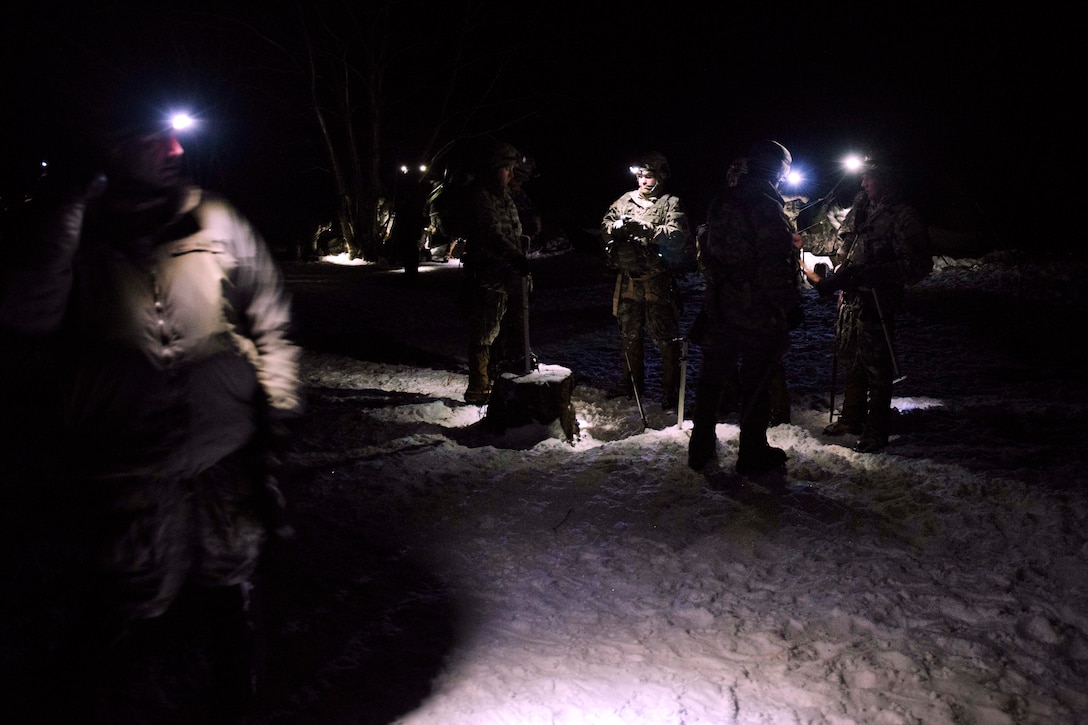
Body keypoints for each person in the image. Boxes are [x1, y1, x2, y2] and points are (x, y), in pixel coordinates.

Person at [0, 81, 302, 719]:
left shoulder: (213, 216)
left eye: (177, 135)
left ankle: (239, 693)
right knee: (128, 588)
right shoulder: (71, 226)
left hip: (223, 443)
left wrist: (277, 408)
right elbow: (26, 317)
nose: (172, 148)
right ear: (109, 147)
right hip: (124, 452)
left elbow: (270, 314)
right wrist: (64, 215)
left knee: (231, 575)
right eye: (151, 139)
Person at [801, 155, 932, 452]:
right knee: (850, 359)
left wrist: (874, 273)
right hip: (850, 299)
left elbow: (918, 265)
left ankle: (876, 429)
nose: (863, 183)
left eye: (869, 178)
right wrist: (817, 252)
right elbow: (841, 243)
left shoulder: (903, 216)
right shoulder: (861, 208)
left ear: (885, 180)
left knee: (877, 367)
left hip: (877, 302)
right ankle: (851, 417)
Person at [688, 140, 803, 474]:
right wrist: (789, 305)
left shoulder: (722, 200)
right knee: (756, 382)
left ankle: (700, 450)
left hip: (720, 305)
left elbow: (705, 252)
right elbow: (775, 264)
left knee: (712, 382)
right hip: (757, 311)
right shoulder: (766, 204)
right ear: (779, 170)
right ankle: (751, 454)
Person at [601, 151, 694, 410]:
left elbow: (678, 236)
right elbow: (605, 227)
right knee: (629, 334)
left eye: (649, 176)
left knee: (665, 338)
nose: (643, 181)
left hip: (657, 281)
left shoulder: (671, 203)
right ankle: (630, 384)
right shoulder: (624, 201)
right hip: (629, 281)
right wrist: (616, 228)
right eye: (640, 175)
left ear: (660, 177)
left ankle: (670, 390)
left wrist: (649, 230)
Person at [461, 139, 531, 404]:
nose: (511, 174)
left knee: (507, 328)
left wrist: (522, 246)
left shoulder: (504, 196)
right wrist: (514, 255)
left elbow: (513, 230)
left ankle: (500, 379)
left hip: (508, 275)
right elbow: (491, 233)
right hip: (488, 275)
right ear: (494, 168)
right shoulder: (481, 195)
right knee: (485, 329)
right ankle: (478, 387)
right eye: (507, 168)